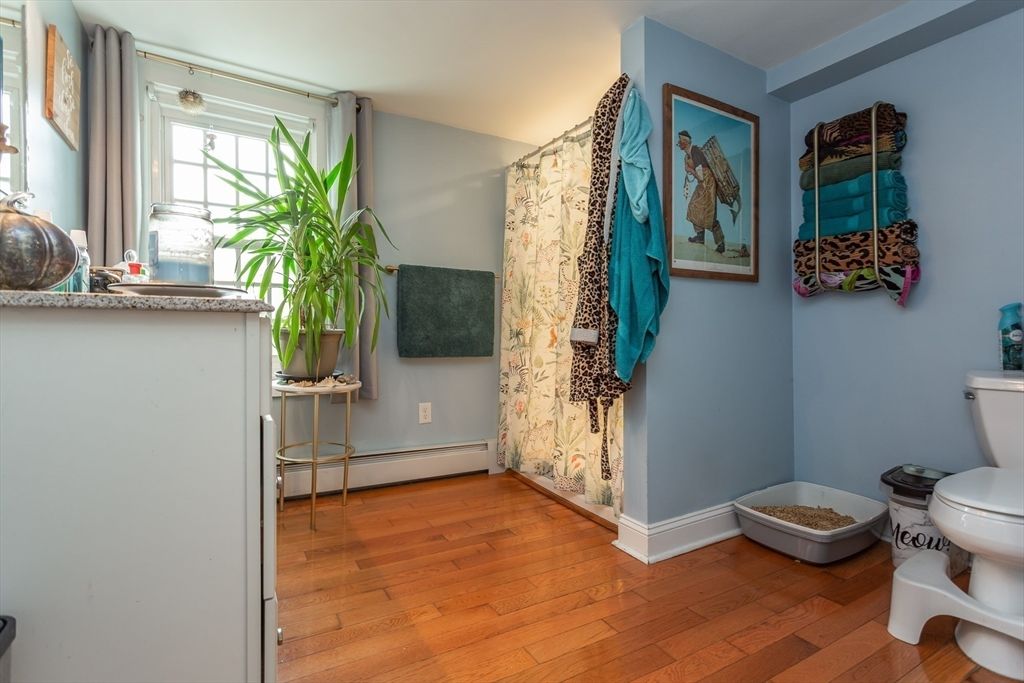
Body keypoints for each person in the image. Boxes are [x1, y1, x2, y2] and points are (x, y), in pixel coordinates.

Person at [677, 130, 725, 254]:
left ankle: (720, 243)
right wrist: (689, 170)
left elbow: (699, 172)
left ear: (686, 142)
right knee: (694, 207)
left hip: (707, 182)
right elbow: (691, 171)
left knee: (709, 213)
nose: (679, 143)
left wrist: (690, 170)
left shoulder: (695, 151)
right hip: (702, 182)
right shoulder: (687, 155)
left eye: (681, 141)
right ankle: (700, 237)